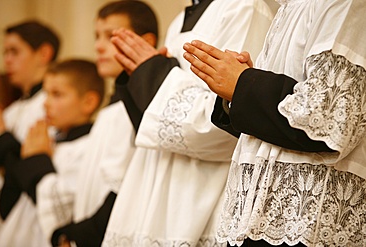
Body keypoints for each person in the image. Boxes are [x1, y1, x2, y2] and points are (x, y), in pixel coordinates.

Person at [183, 0, 366, 246]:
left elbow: (328, 120)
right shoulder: (289, 8)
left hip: (305, 223)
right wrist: (238, 91)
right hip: (254, 220)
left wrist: (244, 85)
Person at [102, 0, 274, 246]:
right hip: (154, 194)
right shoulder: (181, 18)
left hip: (196, 201)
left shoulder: (245, 7)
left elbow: (228, 124)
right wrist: (140, 78)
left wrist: (153, 74)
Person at [50, 1, 159, 246]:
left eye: (111, 36)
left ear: (146, 42)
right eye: (97, 36)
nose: (98, 46)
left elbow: (125, 189)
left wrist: (80, 233)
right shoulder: (112, 108)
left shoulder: (140, 108)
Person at [0, 59, 105, 247]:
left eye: (57, 95)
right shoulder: (47, 138)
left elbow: (63, 209)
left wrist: (37, 160)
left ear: (88, 102)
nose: (46, 103)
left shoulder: (90, 147)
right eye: (46, 93)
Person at [0, 20, 60, 246]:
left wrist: (2, 136)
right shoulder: (13, 110)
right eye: (5, 53)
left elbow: (30, 165)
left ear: (43, 53)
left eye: (15, 51)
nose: (7, 60)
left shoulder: (52, 105)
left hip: (34, 221)